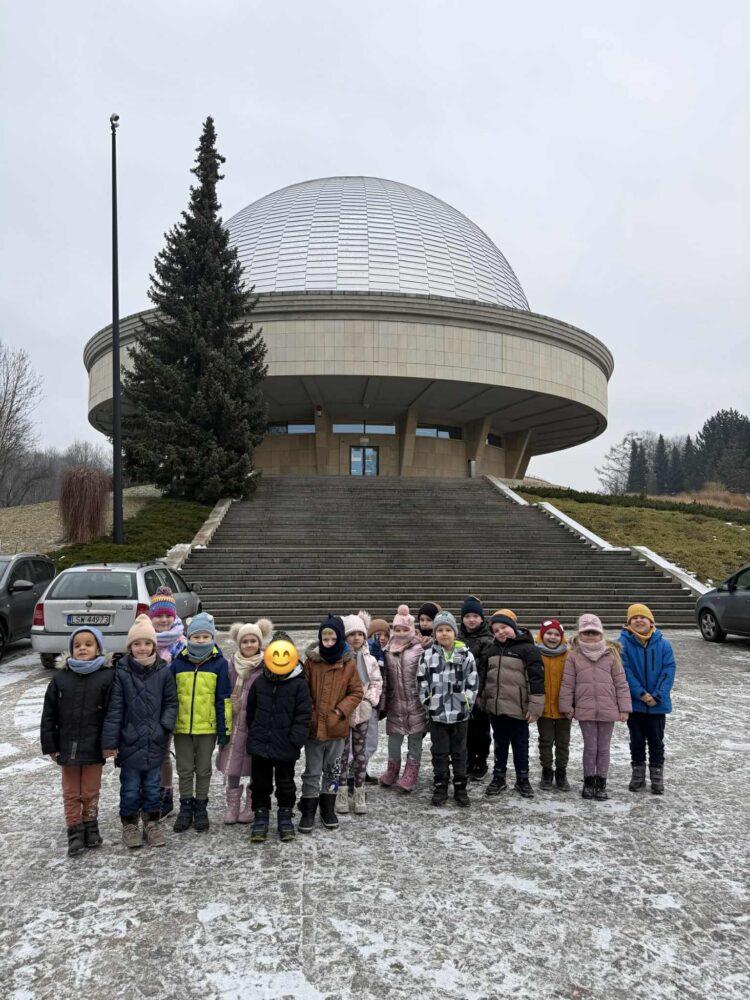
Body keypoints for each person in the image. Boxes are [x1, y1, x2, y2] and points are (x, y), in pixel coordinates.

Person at [102, 615, 178, 848]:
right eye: (137, 643)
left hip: (155, 741)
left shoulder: (163, 671)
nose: (142, 648)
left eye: (146, 643)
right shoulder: (122, 672)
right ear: (130, 647)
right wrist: (110, 741)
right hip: (129, 741)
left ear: (153, 645)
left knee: (153, 786)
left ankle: (152, 823)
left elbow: (171, 702)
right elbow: (115, 709)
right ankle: (130, 824)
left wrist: (163, 726)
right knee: (130, 787)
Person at [40, 627, 114, 856]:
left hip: (94, 748)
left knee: (90, 790)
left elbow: (112, 714)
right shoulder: (61, 679)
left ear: (98, 649)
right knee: (71, 792)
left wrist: (109, 743)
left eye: (88, 644)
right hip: (67, 748)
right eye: (77, 645)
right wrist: (50, 745)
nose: (82, 648)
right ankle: (74, 831)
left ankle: (91, 826)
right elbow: (49, 715)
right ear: (71, 650)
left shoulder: (107, 677)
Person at [246, 630, 312, 843]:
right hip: (261, 744)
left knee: (285, 783)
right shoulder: (260, 682)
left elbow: (304, 716)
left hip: (286, 745)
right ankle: (261, 815)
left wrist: (295, 741)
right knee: (260, 784)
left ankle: (285, 814)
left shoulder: (299, 684)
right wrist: (255, 734)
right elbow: (251, 711)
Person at [558, 614, 632, 801]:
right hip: (585, 710)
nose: (590, 636)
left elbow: (621, 683)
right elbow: (567, 684)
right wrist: (566, 706)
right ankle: (589, 782)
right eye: (586, 632)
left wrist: (624, 708)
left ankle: (601, 783)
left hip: (608, 709)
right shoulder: (574, 656)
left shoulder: (611, 654)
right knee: (590, 747)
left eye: (594, 632)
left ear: (601, 634)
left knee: (604, 748)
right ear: (579, 634)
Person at [300, 615, 363, 833]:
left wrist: (340, 710)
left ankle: (328, 807)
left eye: (333, 639)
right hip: (314, 730)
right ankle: (308, 809)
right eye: (325, 639)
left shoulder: (349, 664)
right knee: (312, 771)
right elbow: (303, 691)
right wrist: (310, 713)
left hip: (337, 729)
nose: (328, 643)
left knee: (333, 771)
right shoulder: (311, 663)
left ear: (339, 639)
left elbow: (356, 692)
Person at [170, 612, 231, 833]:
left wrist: (224, 728)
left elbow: (223, 698)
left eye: (206, 637)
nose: (201, 641)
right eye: (196, 637)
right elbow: (170, 696)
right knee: (185, 768)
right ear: (189, 638)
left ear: (212, 638)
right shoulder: (178, 663)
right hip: (182, 727)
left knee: (203, 769)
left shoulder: (219, 664)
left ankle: (201, 805)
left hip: (207, 727)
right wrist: (168, 723)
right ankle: (186, 805)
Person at [478, 609, 545, 799]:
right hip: (497, 708)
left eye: (504, 627)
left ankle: (523, 778)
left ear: (513, 627)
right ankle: (498, 777)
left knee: (520, 744)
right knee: (500, 744)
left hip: (519, 708)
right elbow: (485, 677)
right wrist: (482, 698)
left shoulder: (528, 649)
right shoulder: (491, 650)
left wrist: (535, 705)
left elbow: (536, 679)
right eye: (496, 630)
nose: (500, 632)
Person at [416, 610, 478, 807]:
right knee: (439, 752)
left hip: (460, 713)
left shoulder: (466, 655)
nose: (444, 633)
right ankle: (440, 785)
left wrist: (468, 702)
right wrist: (428, 701)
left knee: (460, 752)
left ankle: (460, 786)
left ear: (454, 633)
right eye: (440, 630)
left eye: (448, 630)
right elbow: (421, 681)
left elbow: (473, 681)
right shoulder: (427, 656)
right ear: (435, 633)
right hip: (438, 714)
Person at [217, 618, 273, 824]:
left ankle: (251, 804)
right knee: (233, 763)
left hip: (255, 724)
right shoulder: (231, 665)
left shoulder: (266, 665)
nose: (249, 645)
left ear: (259, 642)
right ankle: (232, 805)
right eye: (245, 641)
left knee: (254, 765)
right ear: (238, 643)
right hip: (234, 722)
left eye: (253, 641)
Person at [619, 603, 676, 795]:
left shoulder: (663, 644)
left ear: (650, 621)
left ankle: (657, 776)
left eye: (642, 617)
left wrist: (658, 695)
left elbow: (668, 670)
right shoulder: (623, 644)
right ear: (628, 623)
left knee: (656, 742)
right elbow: (625, 672)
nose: (638, 620)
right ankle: (638, 774)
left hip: (658, 704)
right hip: (636, 704)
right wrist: (641, 694)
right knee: (636, 741)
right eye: (634, 618)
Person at [335, 614, 383, 816]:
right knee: (342, 753)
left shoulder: (369, 660)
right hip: (343, 712)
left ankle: (359, 790)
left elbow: (376, 682)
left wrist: (369, 700)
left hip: (362, 711)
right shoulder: (340, 659)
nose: (356, 638)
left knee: (360, 752)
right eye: (352, 634)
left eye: (360, 634)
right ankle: (341, 790)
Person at [148, 586, 186, 819]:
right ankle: (148, 793)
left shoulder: (181, 644)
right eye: (158, 615)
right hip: (145, 708)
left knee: (162, 753)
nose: (163, 620)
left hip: (170, 707)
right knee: (147, 752)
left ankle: (165, 796)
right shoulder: (143, 641)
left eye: (167, 615)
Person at [379, 604, 427, 793]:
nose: (400, 633)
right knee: (394, 738)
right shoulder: (388, 649)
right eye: (397, 629)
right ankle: (393, 769)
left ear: (412, 629)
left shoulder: (419, 648)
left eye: (405, 629)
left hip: (416, 702)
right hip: (395, 702)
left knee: (415, 738)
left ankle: (411, 771)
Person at [458, 597, 495, 781]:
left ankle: (481, 760)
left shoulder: (488, 639)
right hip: (460, 692)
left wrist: (480, 693)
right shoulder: (457, 638)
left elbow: (486, 669)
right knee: (464, 729)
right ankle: (468, 759)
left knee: (481, 730)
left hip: (480, 693)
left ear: (481, 618)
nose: (471, 620)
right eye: (467, 616)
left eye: (475, 616)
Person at [535, 618, 571, 791]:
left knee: (563, 742)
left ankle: (561, 771)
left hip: (564, 707)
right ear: (542, 635)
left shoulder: (568, 655)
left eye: (556, 634)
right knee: (545, 741)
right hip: (543, 707)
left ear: (561, 637)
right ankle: (547, 770)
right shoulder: (536, 654)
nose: (552, 637)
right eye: (549, 633)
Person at [364, 617, 390, 783]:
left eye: (385, 635)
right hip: (365, 703)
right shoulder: (367, 655)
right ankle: (354, 772)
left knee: (370, 740)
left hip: (377, 703)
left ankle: (361, 769)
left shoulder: (387, 653)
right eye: (377, 634)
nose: (382, 638)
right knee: (364, 740)